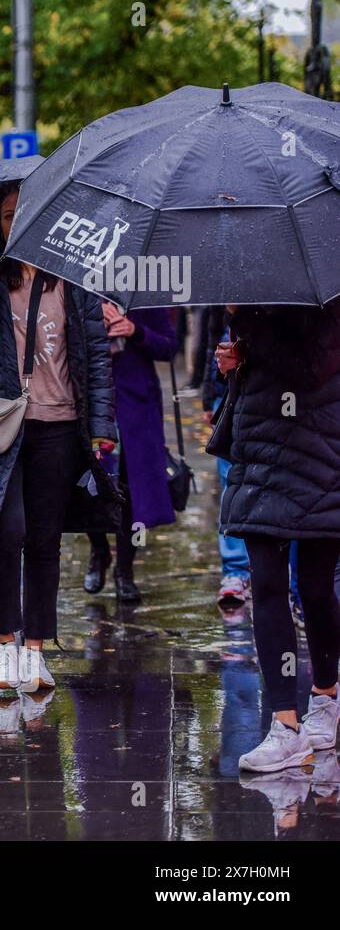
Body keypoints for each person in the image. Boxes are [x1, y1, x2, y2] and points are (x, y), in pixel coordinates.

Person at [0, 182, 117, 694]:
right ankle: (2, 646)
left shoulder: (73, 275)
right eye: (8, 215)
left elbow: (97, 360)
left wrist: (103, 431)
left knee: (44, 538)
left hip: (60, 425)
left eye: (28, 212)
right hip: (1, 423)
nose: (16, 223)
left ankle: (36, 650)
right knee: (6, 530)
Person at [218, 301, 340, 773]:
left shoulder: (327, 294)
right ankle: (284, 726)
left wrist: (249, 325)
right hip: (260, 454)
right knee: (266, 584)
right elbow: (262, 372)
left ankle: (326, 693)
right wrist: (232, 365)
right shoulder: (253, 291)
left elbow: (309, 370)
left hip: (321, 456)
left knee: (313, 588)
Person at [84, 305, 178, 601]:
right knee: (88, 485)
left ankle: (125, 570)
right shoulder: (80, 289)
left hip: (136, 405)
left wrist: (135, 331)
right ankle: (99, 551)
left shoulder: (147, 293)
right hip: (88, 399)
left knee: (131, 491)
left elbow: (168, 347)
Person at [201, 307, 251, 610]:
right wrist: (210, 395)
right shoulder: (220, 295)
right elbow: (209, 343)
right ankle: (235, 570)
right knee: (230, 481)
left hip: (274, 399)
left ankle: (287, 577)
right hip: (228, 396)